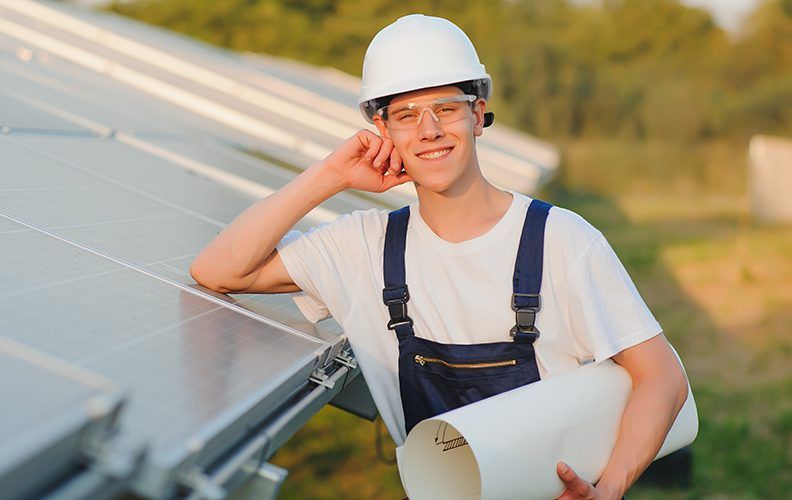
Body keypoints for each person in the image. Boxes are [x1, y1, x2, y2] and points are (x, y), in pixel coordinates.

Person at [190, 14, 688, 499]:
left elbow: (661, 376)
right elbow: (218, 270)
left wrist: (612, 487)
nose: (428, 131)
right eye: (406, 116)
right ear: (382, 130)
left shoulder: (561, 240)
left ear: (477, 114)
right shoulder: (363, 246)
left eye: (446, 109)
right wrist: (331, 175)